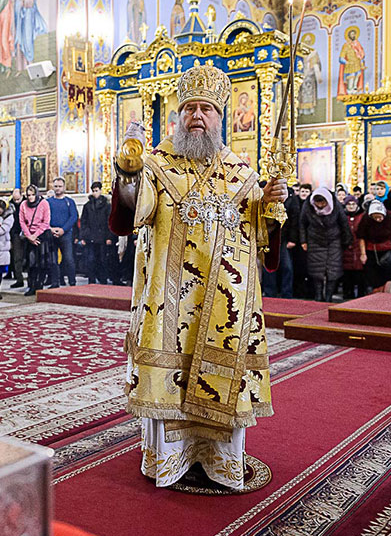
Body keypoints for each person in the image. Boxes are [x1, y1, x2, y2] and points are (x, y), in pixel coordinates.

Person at [108, 65, 287, 491]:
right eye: (189, 107)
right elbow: (128, 215)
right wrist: (129, 174)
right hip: (169, 304)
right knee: (172, 371)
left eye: (207, 108)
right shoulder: (154, 165)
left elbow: (263, 237)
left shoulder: (241, 174)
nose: (197, 115)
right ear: (177, 115)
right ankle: (169, 460)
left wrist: (273, 207)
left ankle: (221, 460)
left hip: (227, 300)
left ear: (220, 117)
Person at [299, 187, 351, 302]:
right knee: (316, 271)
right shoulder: (308, 205)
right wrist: (303, 241)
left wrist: (346, 242)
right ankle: (318, 296)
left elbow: (344, 224)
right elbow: (302, 223)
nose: (320, 205)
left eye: (323, 202)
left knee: (333, 270)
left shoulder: (335, 205)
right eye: (318, 202)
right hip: (315, 240)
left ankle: (328, 297)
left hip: (334, 241)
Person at [262, 186, 299, 299]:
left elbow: (294, 220)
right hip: (268, 237)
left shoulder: (291, 197)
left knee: (287, 266)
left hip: (283, 238)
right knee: (268, 266)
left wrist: (292, 239)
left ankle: (287, 293)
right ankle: (269, 293)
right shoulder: (266, 194)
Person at [357, 200, 391, 290]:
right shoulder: (366, 218)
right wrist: (363, 254)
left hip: (387, 250)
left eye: (380, 217)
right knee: (372, 277)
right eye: (376, 217)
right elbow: (361, 237)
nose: (378, 219)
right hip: (371, 250)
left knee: (389, 275)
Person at [80, 181, 115, 284]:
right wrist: (84, 236)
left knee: (102, 260)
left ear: (100, 191)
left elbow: (109, 222)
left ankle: (103, 280)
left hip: (102, 236)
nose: (95, 193)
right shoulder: (87, 206)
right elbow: (84, 221)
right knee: (90, 259)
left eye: (97, 191)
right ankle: (91, 280)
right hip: (91, 236)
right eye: (93, 191)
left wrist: (109, 237)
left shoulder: (106, 205)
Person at [19, 184, 51, 296]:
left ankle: (39, 285)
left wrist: (35, 235)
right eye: (28, 195)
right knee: (31, 263)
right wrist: (29, 236)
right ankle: (31, 286)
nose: (31, 197)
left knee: (41, 263)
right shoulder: (23, 204)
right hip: (29, 236)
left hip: (42, 235)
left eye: (33, 195)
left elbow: (46, 222)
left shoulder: (44, 203)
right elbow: (22, 222)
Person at [47, 177, 78, 287]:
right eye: (56, 186)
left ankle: (72, 282)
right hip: (51, 234)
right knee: (53, 260)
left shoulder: (69, 202)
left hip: (66, 234)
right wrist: (50, 228)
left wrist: (63, 230)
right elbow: (44, 217)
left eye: (60, 186)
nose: (58, 188)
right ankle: (55, 282)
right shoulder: (47, 202)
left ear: (64, 187)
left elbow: (73, 217)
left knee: (69, 259)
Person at [341, 195, 367, 299]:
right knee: (347, 275)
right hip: (346, 249)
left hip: (359, 248)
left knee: (360, 274)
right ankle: (347, 294)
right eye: (348, 204)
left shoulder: (362, 217)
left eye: (353, 204)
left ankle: (361, 295)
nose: (351, 207)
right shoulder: (342, 216)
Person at [289, 183, 311, 298]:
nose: (304, 194)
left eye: (306, 192)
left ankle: (306, 291)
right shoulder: (295, 203)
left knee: (307, 267)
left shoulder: (312, 205)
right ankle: (297, 291)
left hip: (308, 241)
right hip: (296, 241)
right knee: (297, 267)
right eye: (302, 191)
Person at [8, 188, 26, 288]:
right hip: (15, 233)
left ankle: (32, 280)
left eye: (16, 192)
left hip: (28, 232)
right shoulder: (9, 205)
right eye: (13, 192)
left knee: (29, 256)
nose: (15, 194)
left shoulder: (26, 203)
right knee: (17, 257)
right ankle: (19, 278)